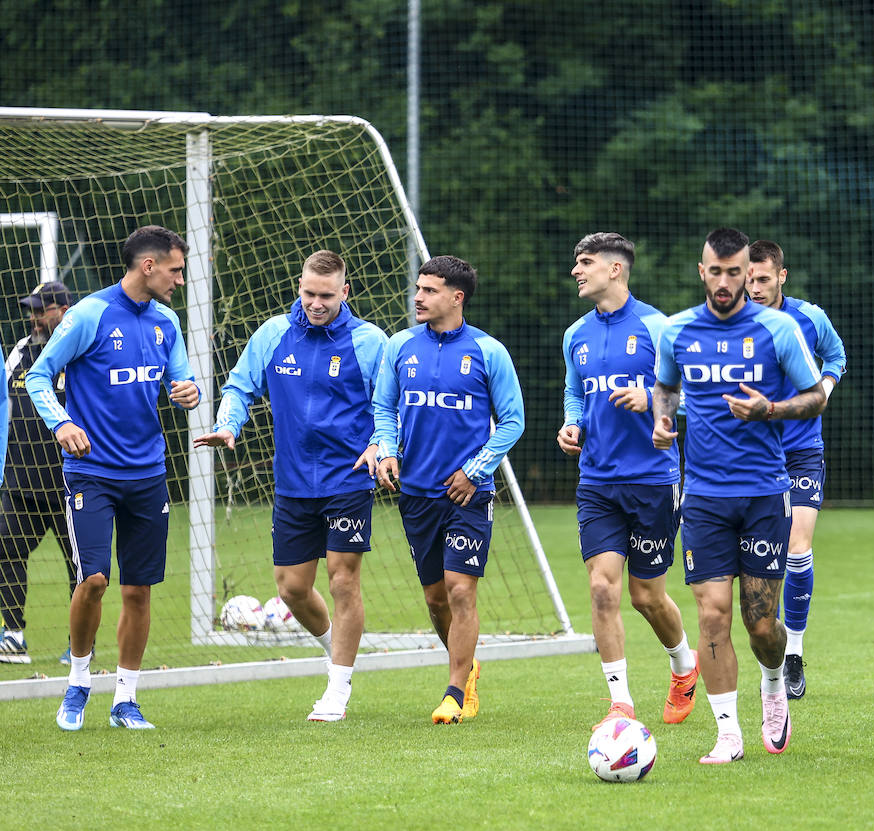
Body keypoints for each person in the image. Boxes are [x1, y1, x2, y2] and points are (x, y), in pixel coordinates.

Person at [652, 228, 826, 764]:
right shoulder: (677, 331)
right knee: (712, 616)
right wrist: (662, 420)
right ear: (701, 271)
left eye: (736, 273)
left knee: (760, 624)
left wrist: (769, 410)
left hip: (762, 495)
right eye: (716, 271)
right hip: (703, 497)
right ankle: (728, 734)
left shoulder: (777, 329)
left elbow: (816, 395)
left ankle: (773, 682)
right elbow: (666, 386)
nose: (726, 282)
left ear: (749, 273)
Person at [192, 250, 388, 721]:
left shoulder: (369, 342)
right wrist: (229, 424)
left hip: (348, 478)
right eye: (308, 293)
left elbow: (390, 404)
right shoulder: (274, 334)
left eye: (325, 295)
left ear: (345, 291)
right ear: (298, 287)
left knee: (344, 579)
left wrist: (380, 444)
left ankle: (337, 689)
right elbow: (240, 386)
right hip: (294, 481)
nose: (316, 303)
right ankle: (335, 653)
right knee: (292, 588)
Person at [26, 226, 202, 730]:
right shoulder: (88, 315)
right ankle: (79, 682)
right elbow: (40, 375)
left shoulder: (167, 321)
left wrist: (184, 391)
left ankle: (125, 699)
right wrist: (61, 422)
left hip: (148, 473)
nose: (180, 281)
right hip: (92, 473)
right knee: (95, 579)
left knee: (139, 590)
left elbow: (179, 378)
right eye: (175, 270)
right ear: (148, 266)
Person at [359, 255, 524, 724]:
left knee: (460, 589)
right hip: (416, 493)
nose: (418, 297)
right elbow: (384, 406)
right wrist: (388, 450)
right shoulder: (400, 346)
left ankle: (455, 691)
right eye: (418, 288)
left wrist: (475, 470)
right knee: (435, 598)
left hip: (469, 495)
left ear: (457, 297)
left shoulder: (489, 352)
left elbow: (513, 422)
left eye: (429, 291)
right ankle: (467, 666)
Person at [557, 232, 700, 727]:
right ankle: (620, 702)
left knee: (646, 596)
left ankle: (684, 664)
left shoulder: (661, 327)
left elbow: (694, 392)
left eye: (585, 262)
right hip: (596, 481)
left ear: (615, 269)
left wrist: (655, 402)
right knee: (601, 589)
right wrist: (571, 422)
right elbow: (575, 393)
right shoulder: (575, 333)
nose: (576, 270)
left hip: (654, 479)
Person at [745, 240, 847, 699]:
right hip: (750, 455)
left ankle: (794, 654)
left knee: (797, 549)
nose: (755, 287)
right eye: (749, 279)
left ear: (782, 276)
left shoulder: (809, 318)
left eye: (764, 279)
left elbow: (837, 355)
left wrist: (824, 388)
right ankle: (762, 642)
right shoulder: (730, 323)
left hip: (801, 449)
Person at [0, 281, 77, 664]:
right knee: (6, 550)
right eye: (31, 310)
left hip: (71, 484)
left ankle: (81, 644)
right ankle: (13, 636)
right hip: (20, 483)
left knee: (82, 568)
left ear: (62, 310)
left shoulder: (80, 352)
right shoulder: (19, 352)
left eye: (40, 309)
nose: (33, 317)